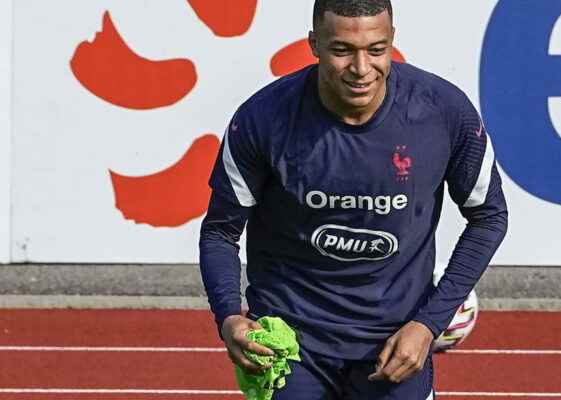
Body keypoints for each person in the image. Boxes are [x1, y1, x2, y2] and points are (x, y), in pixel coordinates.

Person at [198, 0, 508, 398]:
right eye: (342, 50)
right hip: (294, 344)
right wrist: (228, 316)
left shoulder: (444, 112)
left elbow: (489, 217)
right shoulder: (263, 118)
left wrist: (428, 324)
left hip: (395, 342)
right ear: (314, 44)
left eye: (376, 50)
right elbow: (220, 232)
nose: (361, 69)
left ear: (392, 40)